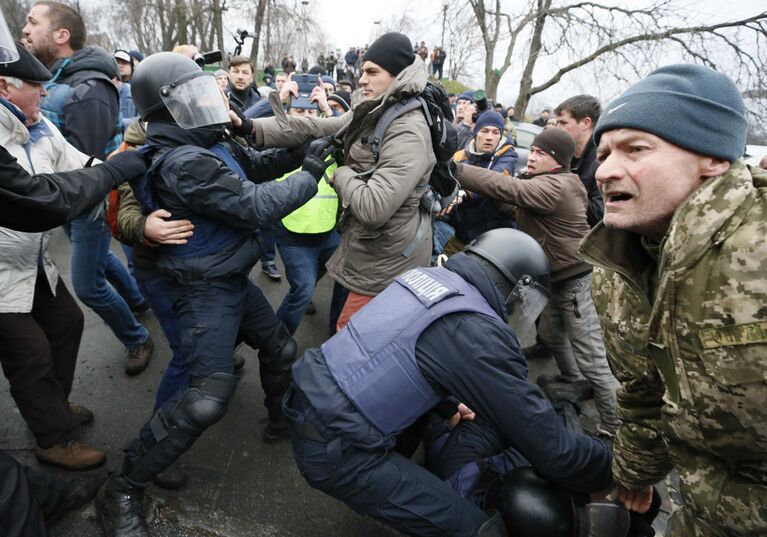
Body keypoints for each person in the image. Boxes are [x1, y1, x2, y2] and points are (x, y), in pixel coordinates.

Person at [95, 51, 331, 537]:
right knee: (205, 398)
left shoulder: (205, 142)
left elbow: (260, 167)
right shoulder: (183, 161)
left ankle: (280, 421)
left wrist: (312, 147)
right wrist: (310, 173)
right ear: (167, 108)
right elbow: (254, 205)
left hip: (228, 276)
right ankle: (122, 487)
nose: (209, 103)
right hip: (204, 288)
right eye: (196, 96)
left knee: (281, 347)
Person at [283, 228, 613, 537]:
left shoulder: (428, 278)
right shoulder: (478, 332)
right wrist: (626, 465)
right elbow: (557, 452)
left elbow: (388, 353)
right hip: (337, 447)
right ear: (518, 288)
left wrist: (448, 403)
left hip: (310, 398)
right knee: (479, 530)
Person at [580, 64, 766, 536]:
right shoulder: (616, 266)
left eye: (635, 149)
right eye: (603, 154)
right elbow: (642, 392)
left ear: (714, 159)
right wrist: (636, 474)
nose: (605, 171)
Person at [239, 32, 436, 331]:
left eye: (372, 72)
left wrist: (339, 171)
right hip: (367, 247)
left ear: (397, 76)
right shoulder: (377, 109)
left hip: (386, 258)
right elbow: (317, 127)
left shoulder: (407, 128)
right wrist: (251, 126)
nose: (362, 80)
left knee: (351, 336)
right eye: (363, 71)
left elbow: (373, 207)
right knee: (346, 332)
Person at [454, 128, 621, 435]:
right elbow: (516, 204)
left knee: (593, 360)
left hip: (576, 280)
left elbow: (514, 192)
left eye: (541, 154)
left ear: (557, 161)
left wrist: (458, 170)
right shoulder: (544, 183)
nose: (531, 156)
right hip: (557, 279)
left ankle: (614, 429)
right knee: (551, 335)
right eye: (531, 150)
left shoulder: (560, 185)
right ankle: (571, 381)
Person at [23, 0, 154, 375]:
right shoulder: (59, 78)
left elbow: (89, 160)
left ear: (61, 35)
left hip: (87, 200)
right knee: (101, 258)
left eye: (33, 22)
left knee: (88, 286)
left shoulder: (89, 87)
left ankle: (137, 338)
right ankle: (137, 300)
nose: (25, 30)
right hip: (64, 201)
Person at [0, 40, 105, 471]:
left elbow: (79, 164)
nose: (45, 94)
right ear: (5, 87)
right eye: (36, 86)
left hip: (32, 261)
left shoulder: (39, 126)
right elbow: (40, 198)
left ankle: (51, 407)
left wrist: (119, 170)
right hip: (1, 273)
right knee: (30, 353)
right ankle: (52, 437)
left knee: (68, 321)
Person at [442, 111, 518, 255]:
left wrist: (464, 193)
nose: (490, 137)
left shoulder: (508, 156)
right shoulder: (460, 156)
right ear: (476, 133)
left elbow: (495, 180)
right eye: (485, 131)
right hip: (461, 234)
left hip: (491, 241)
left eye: (496, 132)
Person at [555, 95, 603, 227]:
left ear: (585, 123)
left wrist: (561, 192)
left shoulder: (602, 161)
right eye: (556, 122)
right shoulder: (563, 154)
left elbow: (600, 214)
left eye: (563, 123)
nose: (557, 128)